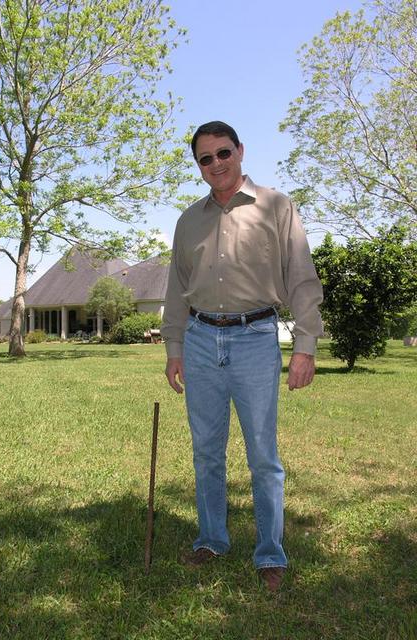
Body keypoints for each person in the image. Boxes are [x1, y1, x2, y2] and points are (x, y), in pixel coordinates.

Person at [161, 121, 323, 592]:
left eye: (223, 153)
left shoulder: (277, 206)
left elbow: (302, 281)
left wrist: (305, 346)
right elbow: (176, 290)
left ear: (240, 151)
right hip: (199, 337)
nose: (216, 164)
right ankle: (211, 539)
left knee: (262, 454)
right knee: (206, 451)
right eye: (205, 159)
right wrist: (174, 347)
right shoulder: (188, 220)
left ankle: (270, 552)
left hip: (255, 338)